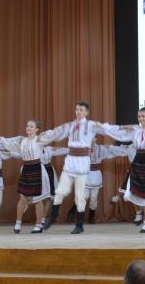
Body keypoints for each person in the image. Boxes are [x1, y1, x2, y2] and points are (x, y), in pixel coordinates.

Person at [43, 100, 113, 234]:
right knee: (60, 191)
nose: (78, 112)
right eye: (77, 109)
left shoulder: (91, 125)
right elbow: (57, 133)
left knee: (80, 195)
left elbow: (107, 129)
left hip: (82, 162)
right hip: (70, 161)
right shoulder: (70, 125)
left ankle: (79, 225)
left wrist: (125, 130)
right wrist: (44, 137)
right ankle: (52, 217)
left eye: (81, 110)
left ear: (86, 112)